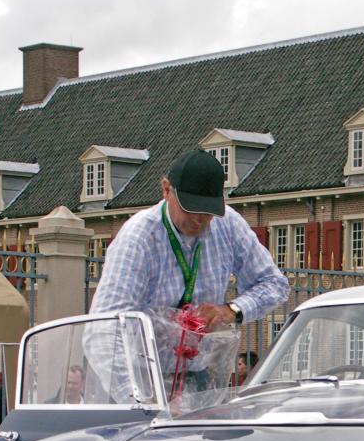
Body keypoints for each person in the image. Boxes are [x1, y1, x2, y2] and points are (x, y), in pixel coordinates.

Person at [88, 149, 289, 391]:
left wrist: (231, 310)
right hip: (140, 375)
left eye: (208, 212)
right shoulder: (138, 239)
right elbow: (103, 332)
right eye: (190, 209)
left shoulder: (229, 225)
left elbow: (274, 284)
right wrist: (144, 400)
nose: (200, 219)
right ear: (166, 189)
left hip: (198, 375)